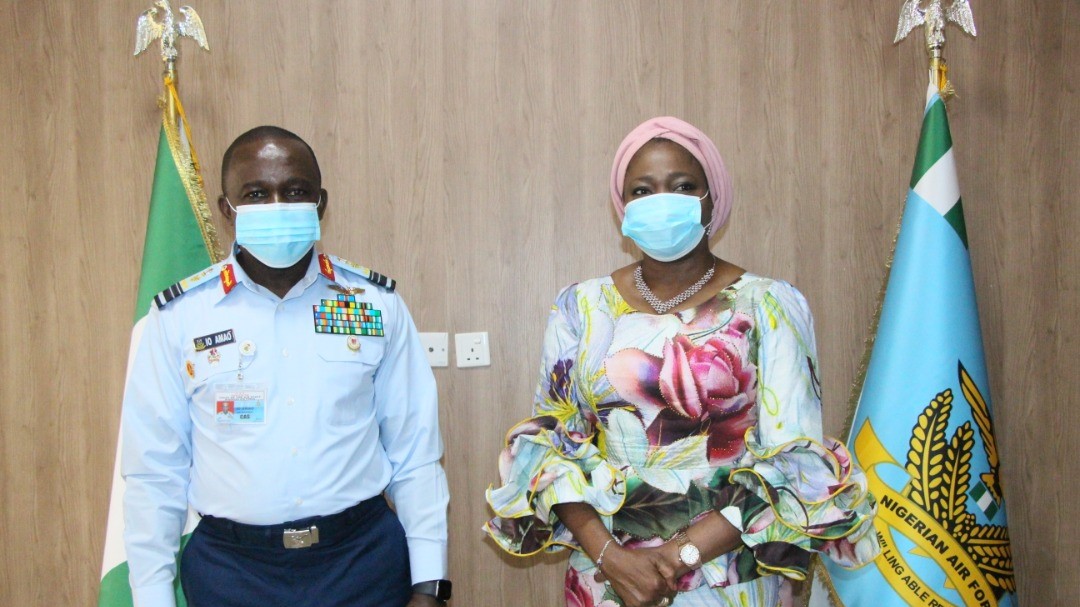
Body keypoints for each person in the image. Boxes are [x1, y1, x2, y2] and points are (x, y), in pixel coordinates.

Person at [484, 117, 878, 607]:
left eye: (682, 185)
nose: (660, 201)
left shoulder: (769, 303)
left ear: (712, 199)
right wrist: (612, 558)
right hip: (606, 580)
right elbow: (551, 447)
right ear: (622, 206)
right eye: (641, 190)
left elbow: (793, 460)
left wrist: (674, 559)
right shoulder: (580, 307)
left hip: (728, 577)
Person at [122, 126, 452, 607]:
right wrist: (152, 597)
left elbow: (416, 453)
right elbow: (154, 472)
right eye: (256, 194)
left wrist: (430, 584)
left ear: (320, 204)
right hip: (231, 573)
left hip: (360, 564)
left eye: (294, 191)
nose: (277, 205)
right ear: (227, 211)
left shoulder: (372, 305)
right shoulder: (179, 317)